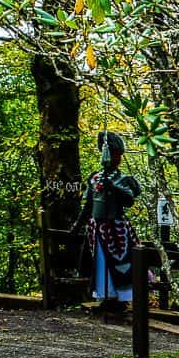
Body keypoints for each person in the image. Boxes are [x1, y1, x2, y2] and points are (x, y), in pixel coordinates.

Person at [72, 131, 142, 313]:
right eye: (114, 154)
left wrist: (113, 187)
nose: (117, 158)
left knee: (120, 266)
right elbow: (88, 205)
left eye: (119, 155)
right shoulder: (94, 179)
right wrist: (77, 225)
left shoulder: (124, 179)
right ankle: (105, 297)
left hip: (117, 229)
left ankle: (121, 299)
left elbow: (129, 200)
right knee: (101, 265)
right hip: (97, 229)